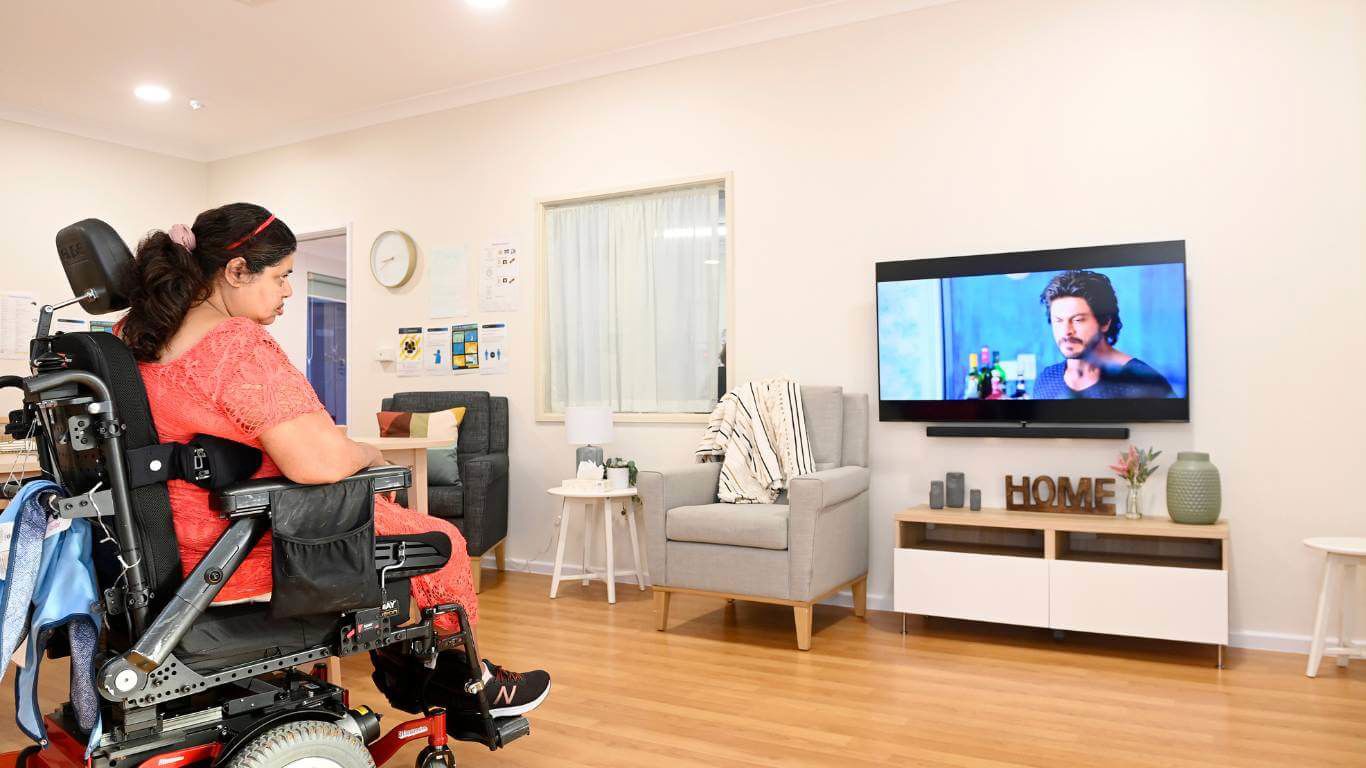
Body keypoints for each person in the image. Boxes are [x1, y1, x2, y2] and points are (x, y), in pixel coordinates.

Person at [119, 202, 549, 718]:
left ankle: (415, 670)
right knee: (444, 541)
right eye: (280, 277)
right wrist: (366, 453)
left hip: (165, 540)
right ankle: (466, 682)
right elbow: (317, 463)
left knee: (388, 520)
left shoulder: (133, 337)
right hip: (239, 545)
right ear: (235, 271)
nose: (287, 292)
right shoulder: (234, 342)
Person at [1032, 270, 1173, 399]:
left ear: (1105, 322)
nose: (1066, 330)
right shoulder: (1046, 379)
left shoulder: (1144, 382)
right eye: (1058, 321)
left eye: (1078, 320)